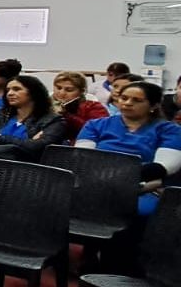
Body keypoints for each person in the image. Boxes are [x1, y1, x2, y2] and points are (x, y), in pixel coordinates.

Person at [77, 82, 181, 217]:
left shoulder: (170, 131)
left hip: (144, 188)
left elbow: (162, 168)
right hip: (95, 184)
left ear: (154, 106)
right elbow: (82, 159)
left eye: (137, 100)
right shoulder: (95, 125)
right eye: (124, 98)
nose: (127, 103)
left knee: (141, 211)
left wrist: (124, 181)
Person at [0, 76, 68, 162]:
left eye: (16, 89)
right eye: (8, 90)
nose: (10, 93)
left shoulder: (53, 120)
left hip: (26, 169)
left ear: (33, 93)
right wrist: (17, 146)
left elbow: (37, 147)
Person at [52, 71, 109, 139]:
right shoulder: (46, 104)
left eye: (69, 90)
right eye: (58, 88)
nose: (61, 93)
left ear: (81, 91)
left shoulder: (94, 107)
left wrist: (66, 115)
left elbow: (96, 130)